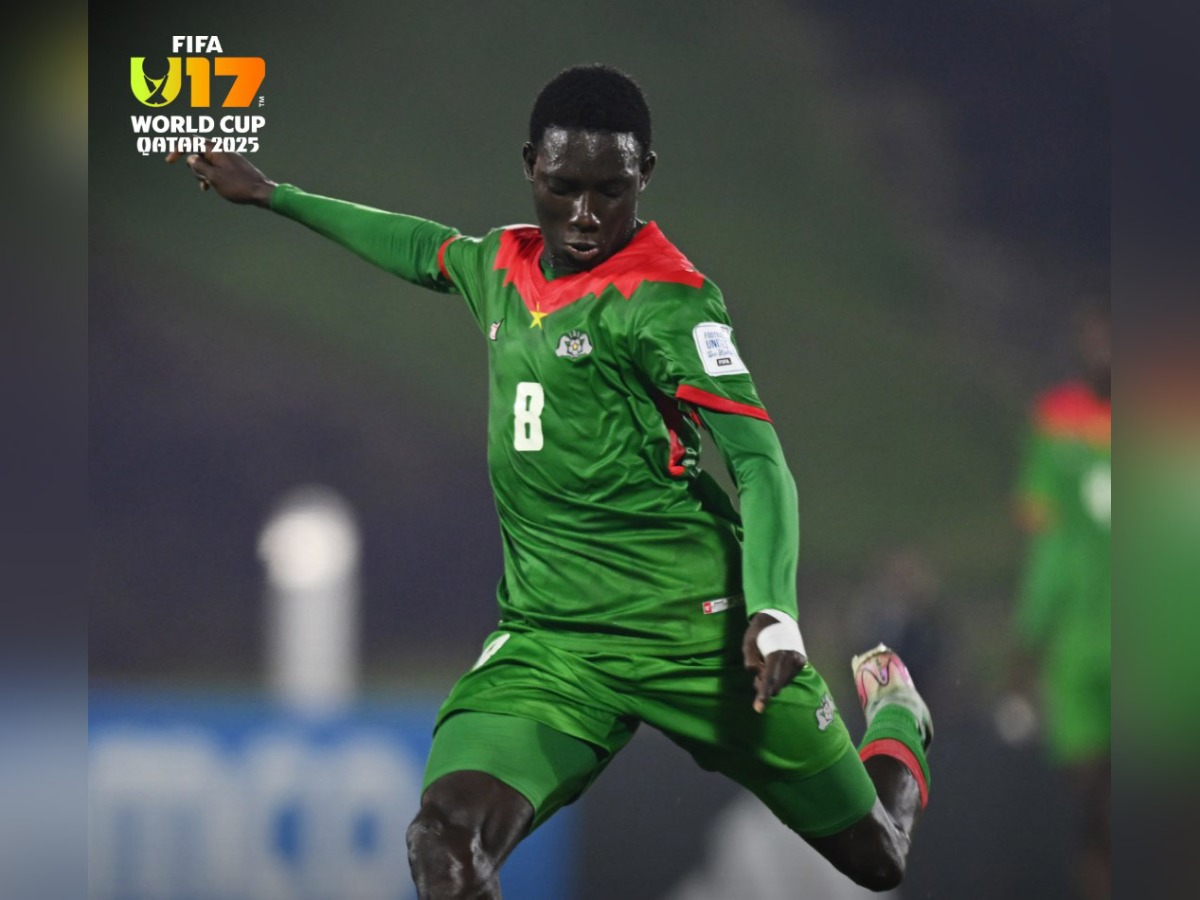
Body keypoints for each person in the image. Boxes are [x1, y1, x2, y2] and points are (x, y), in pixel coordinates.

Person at [169, 64, 934, 898]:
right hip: (553, 646)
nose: (585, 214)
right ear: (531, 164)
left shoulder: (669, 304)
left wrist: (776, 613)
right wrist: (275, 194)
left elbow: (758, 462)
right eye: (565, 187)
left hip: (699, 638)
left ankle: (900, 713)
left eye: (611, 190)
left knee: (878, 858)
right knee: (444, 845)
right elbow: (422, 248)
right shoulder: (502, 263)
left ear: (646, 175)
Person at [1008, 304, 1110, 899]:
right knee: (1094, 814)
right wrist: (1030, 636)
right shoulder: (1056, 420)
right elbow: (1044, 542)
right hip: (1076, 640)